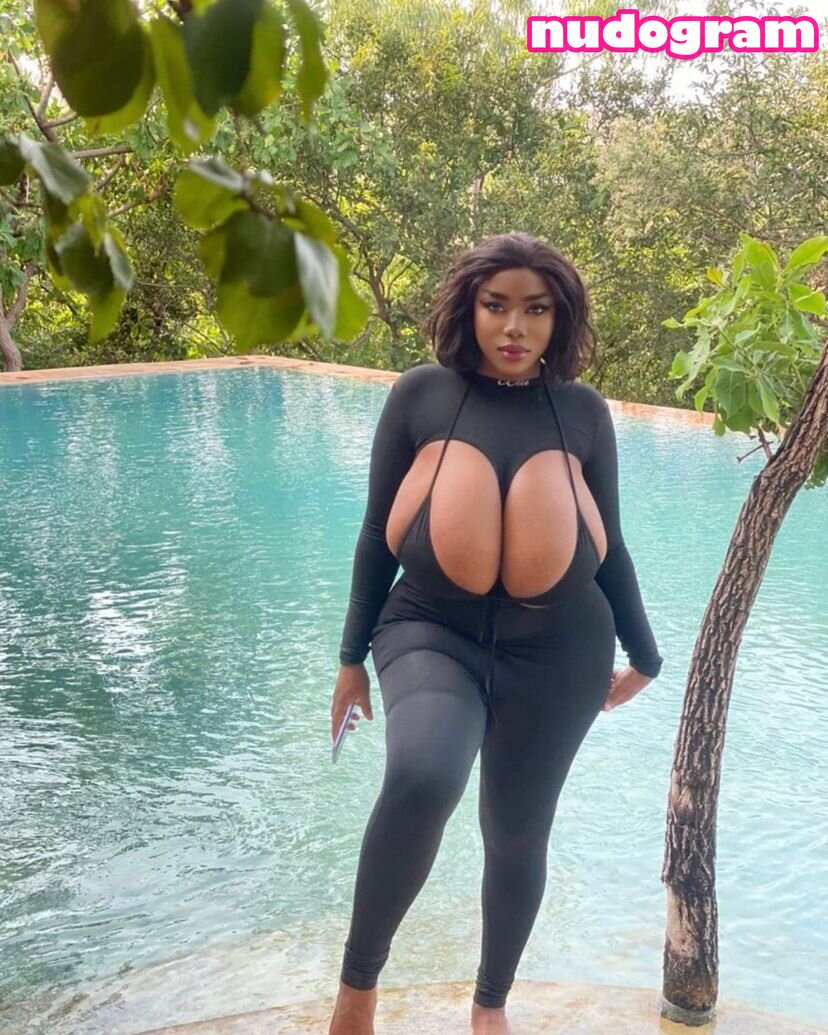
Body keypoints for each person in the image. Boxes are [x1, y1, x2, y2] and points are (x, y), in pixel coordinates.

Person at [327, 233, 662, 1035]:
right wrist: (349, 658)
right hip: (430, 631)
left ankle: (489, 1006)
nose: (515, 326)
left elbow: (610, 543)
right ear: (469, 308)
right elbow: (375, 534)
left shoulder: (582, 412)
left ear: (559, 318)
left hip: (561, 651)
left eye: (536, 309)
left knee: (516, 831)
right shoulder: (421, 396)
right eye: (497, 305)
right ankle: (356, 994)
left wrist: (645, 655)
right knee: (422, 774)